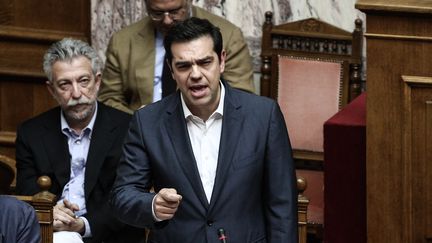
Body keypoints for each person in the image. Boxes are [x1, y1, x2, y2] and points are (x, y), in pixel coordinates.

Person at [110, 17, 298, 242]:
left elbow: (282, 205)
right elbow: (122, 196)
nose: (196, 74)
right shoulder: (147, 121)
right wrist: (152, 205)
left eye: (204, 62)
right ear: (171, 70)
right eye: (184, 66)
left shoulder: (263, 116)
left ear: (222, 61)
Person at [15, 38, 145, 243]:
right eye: (65, 84)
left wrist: (83, 225)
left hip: (109, 236)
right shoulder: (31, 132)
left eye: (84, 81)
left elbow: (130, 196)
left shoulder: (130, 128)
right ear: (51, 90)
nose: (76, 93)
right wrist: (52, 213)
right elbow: (28, 190)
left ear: (97, 81)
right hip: (52, 234)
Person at [98, 0, 255, 114]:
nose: (166, 20)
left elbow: (241, 98)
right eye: (157, 13)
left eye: (175, 11)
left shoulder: (228, 35)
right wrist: (141, 121)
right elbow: (109, 98)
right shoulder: (123, 41)